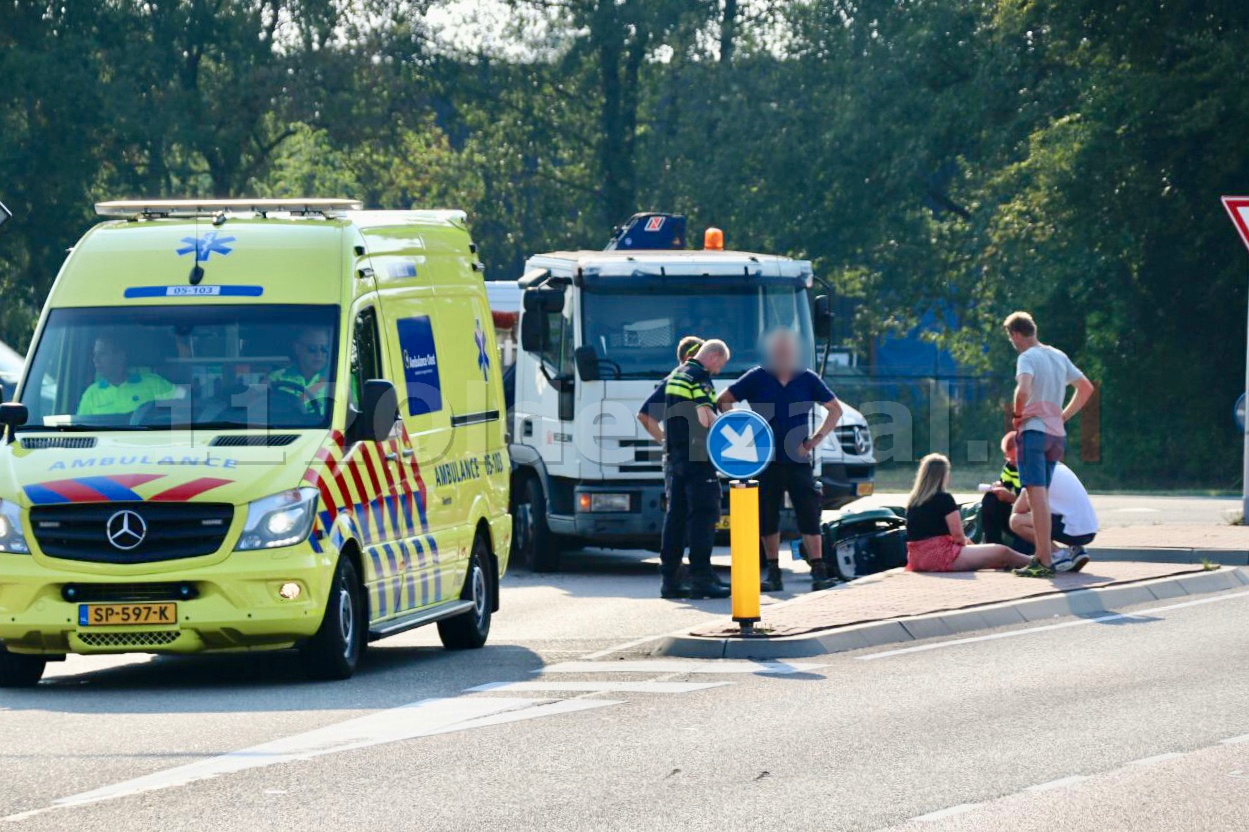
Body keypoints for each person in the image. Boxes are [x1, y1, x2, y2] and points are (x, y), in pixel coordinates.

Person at [716, 328, 840, 593]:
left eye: (788, 349)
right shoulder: (756, 377)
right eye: (779, 349)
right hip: (766, 462)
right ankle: (773, 572)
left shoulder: (808, 379)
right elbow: (724, 400)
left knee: (808, 514)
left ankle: (818, 569)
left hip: (798, 460)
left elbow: (835, 409)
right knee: (767, 517)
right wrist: (741, 434)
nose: (783, 353)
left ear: (795, 351)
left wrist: (814, 441)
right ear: (771, 351)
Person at [1003, 311, 1096, 578]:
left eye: (1012, 338)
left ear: (1016, 334)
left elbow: (1022, 391)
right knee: (1040, 495)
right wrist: (1063, 415)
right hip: (1056, 436)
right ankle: (1044, 556)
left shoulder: (1027, 357)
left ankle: (1043, 560)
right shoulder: (1058, 355)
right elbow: (1086, 388)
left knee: (1037, 496)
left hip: (1034, 433)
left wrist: (1018, 416)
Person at [655, 340, 733, 600]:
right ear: (713, 356)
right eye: (720, 364)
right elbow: (705, 416)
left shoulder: (676, 375)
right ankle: (701, 577)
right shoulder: (699, 377)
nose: (719, 371)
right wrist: (726, 433)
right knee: (704, 513)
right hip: (698, 455)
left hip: (676, 455)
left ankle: (671, 578)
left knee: (675, 516)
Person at [905, 453, 1032, 573]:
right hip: (940, 556)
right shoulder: (944, 499)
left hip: (916, 559)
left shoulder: (913, 502)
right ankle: (1037, 562)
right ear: (943, 475)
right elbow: (958, 537)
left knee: (990, 557)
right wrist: (971, 545)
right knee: (1002, 552)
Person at [1010, 461, 1097, 569]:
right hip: (1089, 530)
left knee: (1016, 521)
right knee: (1051, 511)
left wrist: (1008, 496)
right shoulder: (1055, 464)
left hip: (1073, 531)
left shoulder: (1034, 468)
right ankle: (1076, 551)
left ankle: (1057, 555)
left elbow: (1018, 510)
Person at [77, 335, 175, 416]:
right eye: (95, 355)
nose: (95, 359)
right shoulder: (91, 394)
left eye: (102, 354)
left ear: (120, 356)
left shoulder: (154, 384)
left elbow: (186, 406)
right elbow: (80, 430)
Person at [637, 335, 704, 445]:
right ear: (689, 358)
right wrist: (668, 444)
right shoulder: (672, 383)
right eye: (702, 359)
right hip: (683, 458)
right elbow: (645, 416)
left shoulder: (697, 381)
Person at [980, 432, 1030, 552]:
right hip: (1018, 514)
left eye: (1014, 458)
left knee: (1021, 555)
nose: (1011, 461)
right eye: (1008, 457)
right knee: (990, 499)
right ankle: (993, 548)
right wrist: (998, 488)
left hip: (1033, 520)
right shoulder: (1010, 466)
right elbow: (1005, 488)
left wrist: (1011, 498)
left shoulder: (1034, 468)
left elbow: (1036, 506)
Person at [270, 326, 333, 417]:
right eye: (312, 348)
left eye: (324, 349)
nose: (319, 354)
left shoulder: (341, 378)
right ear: (297, 348)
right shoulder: (276, 378)